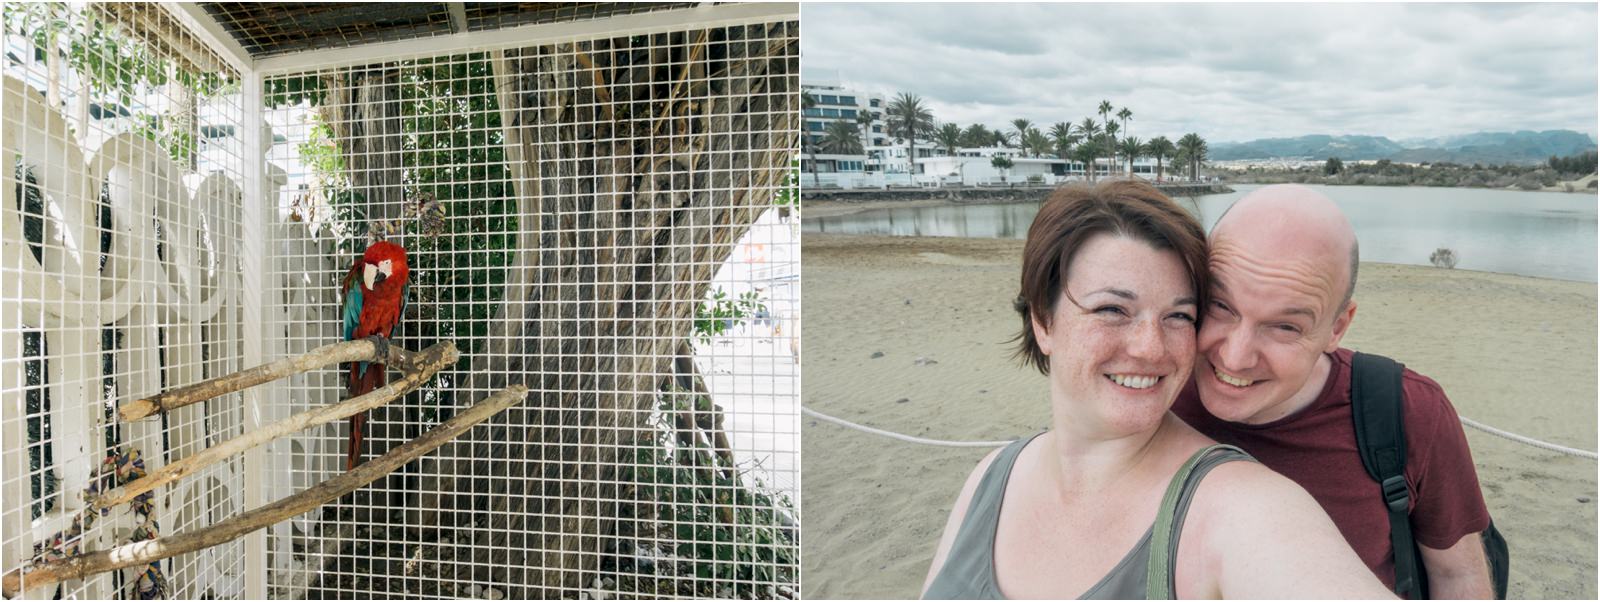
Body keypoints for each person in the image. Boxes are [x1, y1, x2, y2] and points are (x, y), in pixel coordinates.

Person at [922, 181, 1392, 599]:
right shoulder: (991, 478)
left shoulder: (1243, 509)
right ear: (1044, 322)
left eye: (1179, 316)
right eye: (1112, 310)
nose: (1151, 350)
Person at [1171, 184, 1493, 598]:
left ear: (1338, 327)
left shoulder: (1410, 413)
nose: (1235, 358)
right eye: (1220, 305)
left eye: (1285, 326)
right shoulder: (1155, 393)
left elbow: (1457, 576)